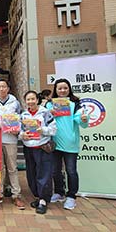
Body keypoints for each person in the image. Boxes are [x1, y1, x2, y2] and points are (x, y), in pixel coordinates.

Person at [46, 78, 88, 210]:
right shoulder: (50, 104)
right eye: (60, 88)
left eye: (65, 88)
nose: (62, 91)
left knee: (71, 170)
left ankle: (71, 196)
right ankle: (59, 192)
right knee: (55, 170)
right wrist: (49, 114)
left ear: (69, 89)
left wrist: (83, 119)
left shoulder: (76, 104)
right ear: (55, 90)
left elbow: (82, 123)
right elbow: (43, 120)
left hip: (70, 143)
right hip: (54, 142)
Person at [0, 78, 25, 210]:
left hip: (11, 140)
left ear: (8, 88)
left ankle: (16, 195)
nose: (1, 89)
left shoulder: (15, 103)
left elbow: (21, 117)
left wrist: (17, 129)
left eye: (4, 86)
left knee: (12, 168)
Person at [19, 91, 57, 214]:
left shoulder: (45, 113)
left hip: (42, 148)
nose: (30, 102)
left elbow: (53, 129)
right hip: (29, 148)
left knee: (44, 174)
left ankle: (43, 200)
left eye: (32, 99)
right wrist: (22, 135)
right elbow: (19, 130)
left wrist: (43, 130)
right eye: (28, 99)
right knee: (31, 174)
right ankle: (38, 196)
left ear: (37, 100)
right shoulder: (23, 114)